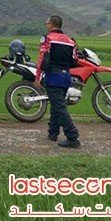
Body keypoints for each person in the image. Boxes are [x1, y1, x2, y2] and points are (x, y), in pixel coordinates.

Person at [35, 15, 81, 149]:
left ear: (52, 24)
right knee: (56, 105)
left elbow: (42, 58)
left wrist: (37, 77)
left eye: (47, 23)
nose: (46, 25)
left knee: (59, 108)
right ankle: (53, 133)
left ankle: (73, 137)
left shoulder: (48, 39)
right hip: (66, 77)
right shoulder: (70, 41)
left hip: (53, 77)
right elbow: (74, 60)